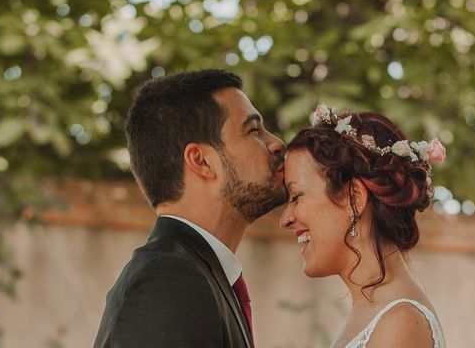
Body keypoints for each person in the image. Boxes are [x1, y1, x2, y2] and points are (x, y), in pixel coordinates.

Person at [94, 69, 286, 348]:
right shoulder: (169, 282)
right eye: (253, 130)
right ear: (202, 161)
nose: (276, 143)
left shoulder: (197, 273)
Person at [280, 104, 447, 348]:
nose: (285, 219)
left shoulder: (400, 323)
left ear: (354, 199)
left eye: (295, 196)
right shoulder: (373, 314)